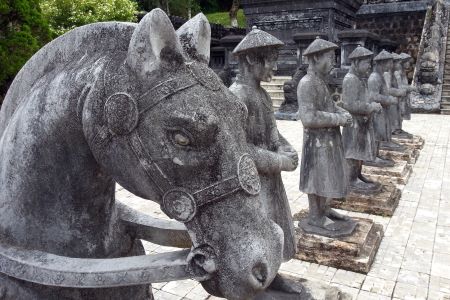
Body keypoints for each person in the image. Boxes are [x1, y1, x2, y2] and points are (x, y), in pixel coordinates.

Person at [230, 26, 298, 263]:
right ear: (250, 58)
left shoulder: (263, 95)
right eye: (271, 60)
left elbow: (272, 131)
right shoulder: (238, 96)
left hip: (270, 180)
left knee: (275, 231)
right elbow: (239, 149)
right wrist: (279, 160)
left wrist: (284, 147)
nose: (275, 67)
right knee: (259, 237)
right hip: (252, 183)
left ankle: (274, 276)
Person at [297, 37, 356, 234]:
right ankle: (315, 216)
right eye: (329, 58)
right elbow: (309, 117)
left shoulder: (320, 82)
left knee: (325, 176)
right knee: (316, 177)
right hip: (316, 142)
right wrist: (337, 119)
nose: (333, 62)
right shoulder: (307, 83)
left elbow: (328, 106)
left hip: (327, 141)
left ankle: (324, 210)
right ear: (315, 58)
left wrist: (340, 112)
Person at [342, 46, 383, 194]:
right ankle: (351, 180)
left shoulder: (359, 79)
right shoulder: (350, 79)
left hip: (362, 122)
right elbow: (350, 104)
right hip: (354, 123)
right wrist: (370, 107)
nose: (369, 66)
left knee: (360, 151)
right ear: (356, 62)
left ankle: (357, 175)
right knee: (353, 152)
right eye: (366, 63)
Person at [365, 50, 398, 167]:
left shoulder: (381, 76)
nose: (391, 65)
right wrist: (388, 99)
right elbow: (373, 96)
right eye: (389, 63)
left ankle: (376, 155)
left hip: (381, 110)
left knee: (379, 134)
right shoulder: (374, 77)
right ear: (382, 63)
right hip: (376, 111)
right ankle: (371, 157)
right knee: (375, 134)